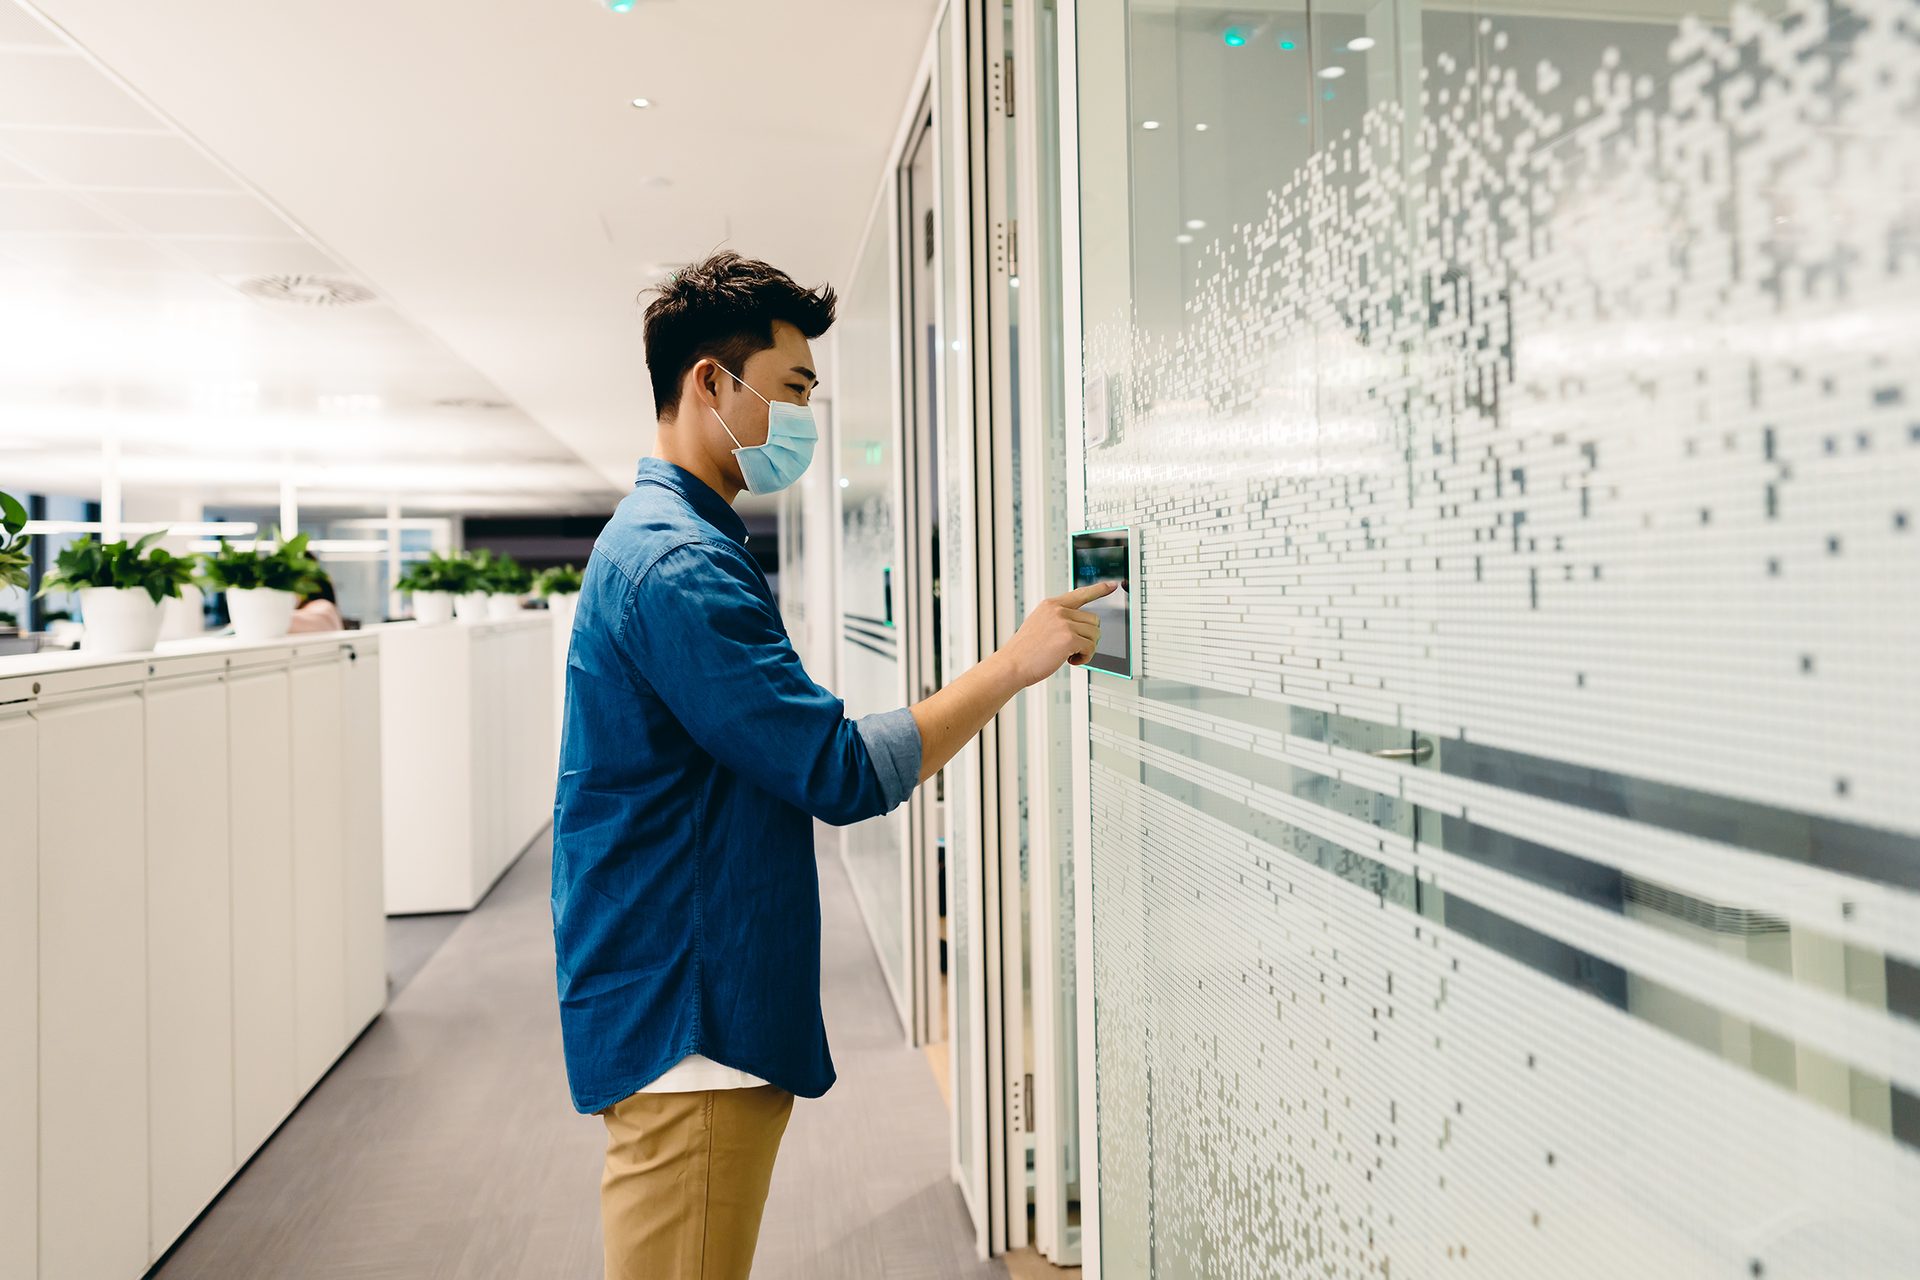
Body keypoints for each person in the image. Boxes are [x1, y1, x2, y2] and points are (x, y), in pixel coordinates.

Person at [551, 252, 1112, 1280]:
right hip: (694, 1020)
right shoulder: (678, 564)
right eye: (795, 387)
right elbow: (838, 770)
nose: (806, 414)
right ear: (713, 384)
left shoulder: (673, 540)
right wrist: (1013, 663)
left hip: (677, 994)